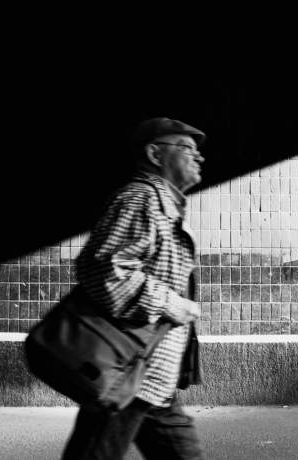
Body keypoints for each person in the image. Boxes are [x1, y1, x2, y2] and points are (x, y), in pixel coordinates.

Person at [62, 117, 206, 459]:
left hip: (153, 379)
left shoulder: (165, 206)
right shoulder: (140, 200)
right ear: (155, 154)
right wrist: (172, 304)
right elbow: (103, 269)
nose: (198, 156)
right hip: (127, 377)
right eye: (186, 147)